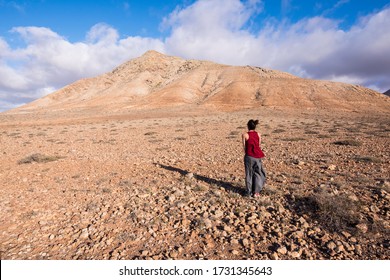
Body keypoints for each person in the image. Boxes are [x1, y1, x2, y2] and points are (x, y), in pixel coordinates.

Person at [242, 119, 266, 197]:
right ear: (255, 126)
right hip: (258, 156)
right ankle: (256, 191)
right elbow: (258, 145)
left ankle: (248, 192)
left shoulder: (245, 135)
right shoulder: (259, 134)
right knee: (258, 173)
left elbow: (244, 147)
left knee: (249, 174)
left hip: (249, 156)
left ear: (248, 126)